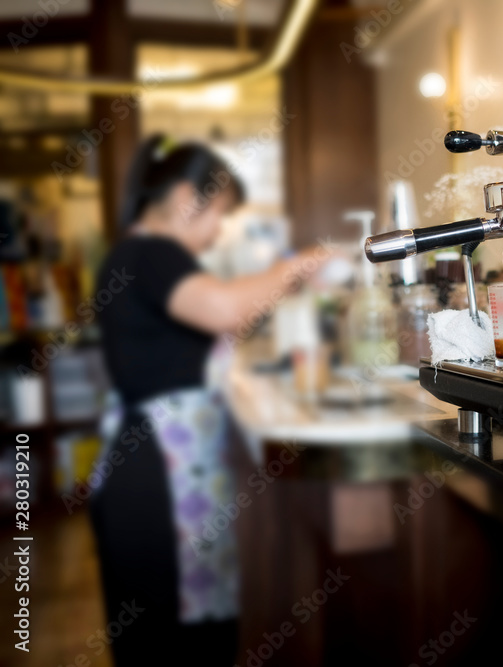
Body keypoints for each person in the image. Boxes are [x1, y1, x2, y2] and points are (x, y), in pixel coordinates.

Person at [89, 134, 333, 665]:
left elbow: (221, 319)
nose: (220, 229)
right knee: (171, 643)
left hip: (168, 470)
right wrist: (300, 264)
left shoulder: (143, 256)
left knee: (190, 634)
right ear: (183, 198)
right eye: (217, 212)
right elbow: (224, 310)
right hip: (156, 476)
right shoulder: (149, 253)